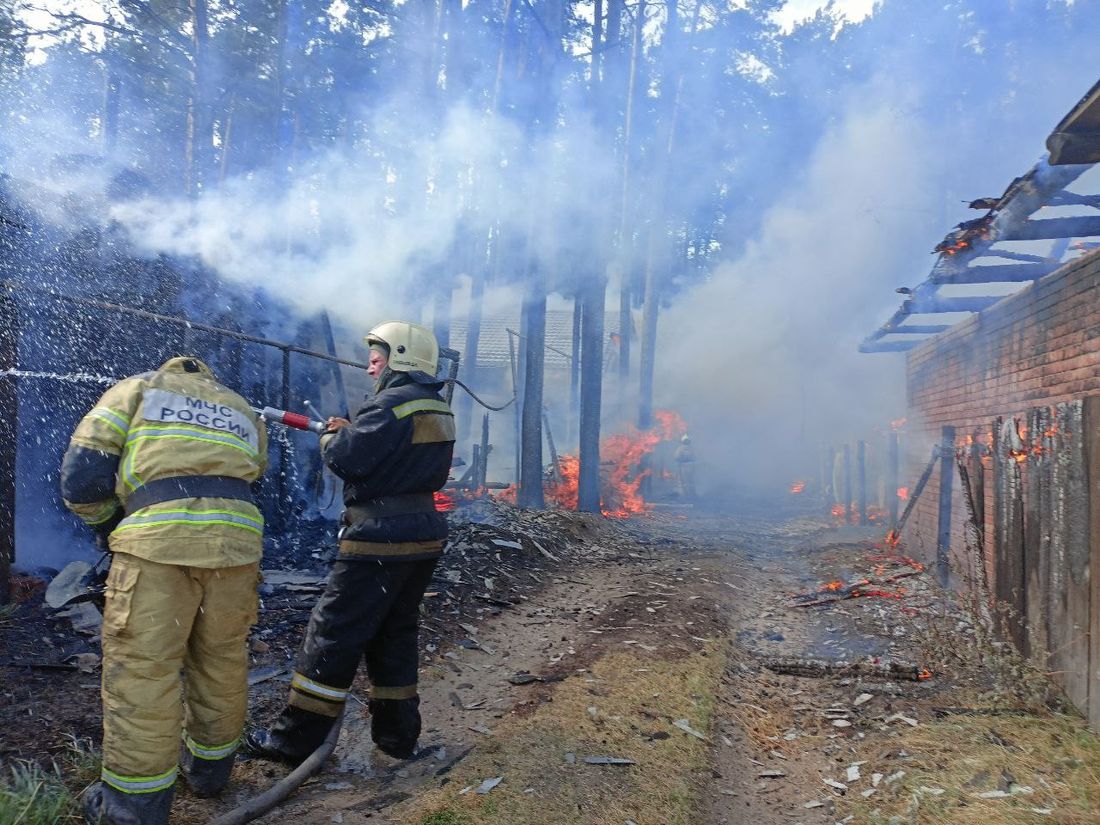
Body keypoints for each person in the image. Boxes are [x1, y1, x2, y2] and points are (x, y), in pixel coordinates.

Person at [60, 356, 268, 825]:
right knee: (222, 660)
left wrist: (109, 524)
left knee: (144, 671)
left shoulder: (135, 389)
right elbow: (251, 477)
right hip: (236, 549)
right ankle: (211, 774)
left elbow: (84, 474)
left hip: (157, 549)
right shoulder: (240, 407)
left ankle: (131, 808)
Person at [246, 321, 455, 765]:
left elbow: (346, 459)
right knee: (394, 635)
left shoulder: (391, 404)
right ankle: (398, 739)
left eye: (377, 361)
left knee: (334, 632)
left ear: (401, 358)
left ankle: (292, 741)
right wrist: (351, 429)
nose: (369, 369)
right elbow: (392, 457)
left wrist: (331, 437)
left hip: (379, 538)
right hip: (422, 534)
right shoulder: (435, 406)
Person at [674, 433, 696, 500]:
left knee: (683, 481)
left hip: (683, 466)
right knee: (691, 480)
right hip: (692, 466)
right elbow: (696, 457)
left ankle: (685, 496)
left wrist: (681, 460)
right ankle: (692, 494)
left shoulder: (680, 448)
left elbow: (676, 457)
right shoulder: (692, 448)